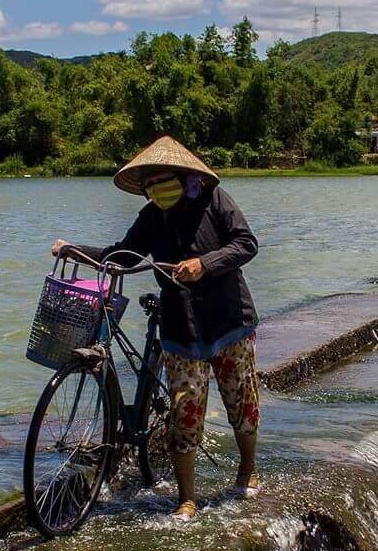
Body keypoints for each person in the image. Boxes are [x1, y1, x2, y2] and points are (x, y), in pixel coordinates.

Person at [54, 136, 260, 520]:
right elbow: (120, 255)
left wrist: (205, 263)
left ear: (186, 177)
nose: (156, 188)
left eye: (163, 180)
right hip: (180, 325)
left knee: (241, 404)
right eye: (150, 183)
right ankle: (186, 498)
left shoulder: (216, 201)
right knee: (184, 412)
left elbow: (246, 244)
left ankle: (247, 471)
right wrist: (74, 250)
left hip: (230, 318)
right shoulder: (151, 217)